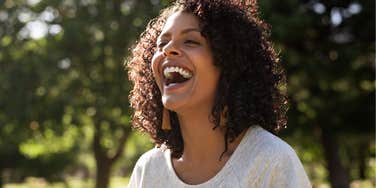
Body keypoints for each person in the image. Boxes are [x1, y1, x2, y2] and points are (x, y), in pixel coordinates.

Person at [126, 0, 311, 187]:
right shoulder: (148, 170)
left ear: (229, 62)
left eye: (190, 41)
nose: (167, 50)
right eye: (162, 43)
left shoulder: (271, 161)